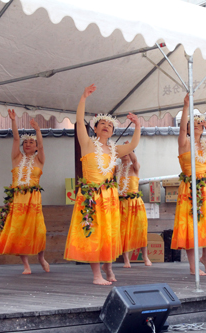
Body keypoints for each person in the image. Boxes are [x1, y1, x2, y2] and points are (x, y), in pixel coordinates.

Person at [64, 84, 141, 285]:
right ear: (95, 128)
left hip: (109, 197)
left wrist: (137, 126)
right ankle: (97, 275)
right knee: (94, 233)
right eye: (102, 123)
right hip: (91, 195)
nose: (106, 126)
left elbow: (132, 146)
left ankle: (108, 267)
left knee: (109, 233)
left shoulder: (115, 150)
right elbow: (80, 121)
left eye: (110, 124)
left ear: (113, 130)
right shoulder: (88, 143)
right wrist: (83, 97)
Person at [171, 94, 206, 276]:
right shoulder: (184, 143)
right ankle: (194, 267)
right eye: (195, 123)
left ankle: (205, 261)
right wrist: (186, 106)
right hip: (190, 189)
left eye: (201, 123)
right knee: (191, 226)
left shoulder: (205, 144)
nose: (198, 125)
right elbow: (182, 128)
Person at [0, 109, 49, 274]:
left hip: (33, 200)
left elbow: (42, 145)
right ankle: (26, 265)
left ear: (36, 146)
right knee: (19, 231)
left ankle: (41, 258)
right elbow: (16, 138)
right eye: (26, 143)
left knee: (38, 230)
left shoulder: (39, 160)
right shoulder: (16, 158)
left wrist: (38, 130)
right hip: (17, 199)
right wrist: (13, 121)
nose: (28, 144)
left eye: (32, 142)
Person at [117, 143, 151, 268]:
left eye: (128, 151)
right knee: (123, 232)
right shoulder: (116, 169)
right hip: (122, 204)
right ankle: (126, 260)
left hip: (135, 203)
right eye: (123, 151)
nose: (125, 153)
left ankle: (145, 257)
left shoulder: (135, 167)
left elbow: (135, 160)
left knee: (141, 230)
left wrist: (129, 147)